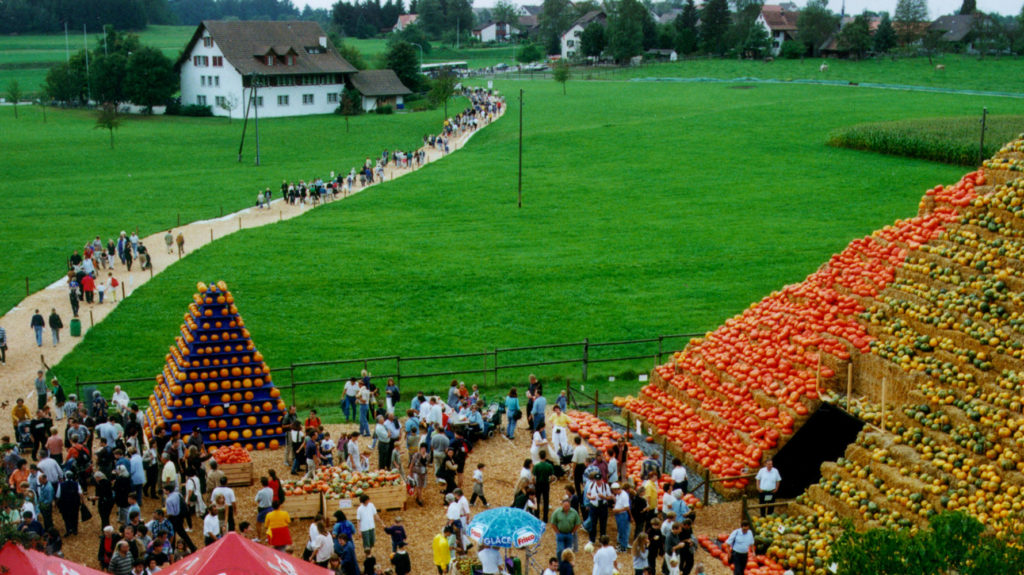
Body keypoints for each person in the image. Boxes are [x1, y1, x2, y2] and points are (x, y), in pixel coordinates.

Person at [611, 483, 631, 552]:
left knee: (623, 531)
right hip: (618, 515)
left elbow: (627, 507)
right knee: (620, 530)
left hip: (622, 515)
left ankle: (623, 547)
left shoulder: (624, 496)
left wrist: (617, 510)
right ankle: (621, 545)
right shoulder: (618, 495)